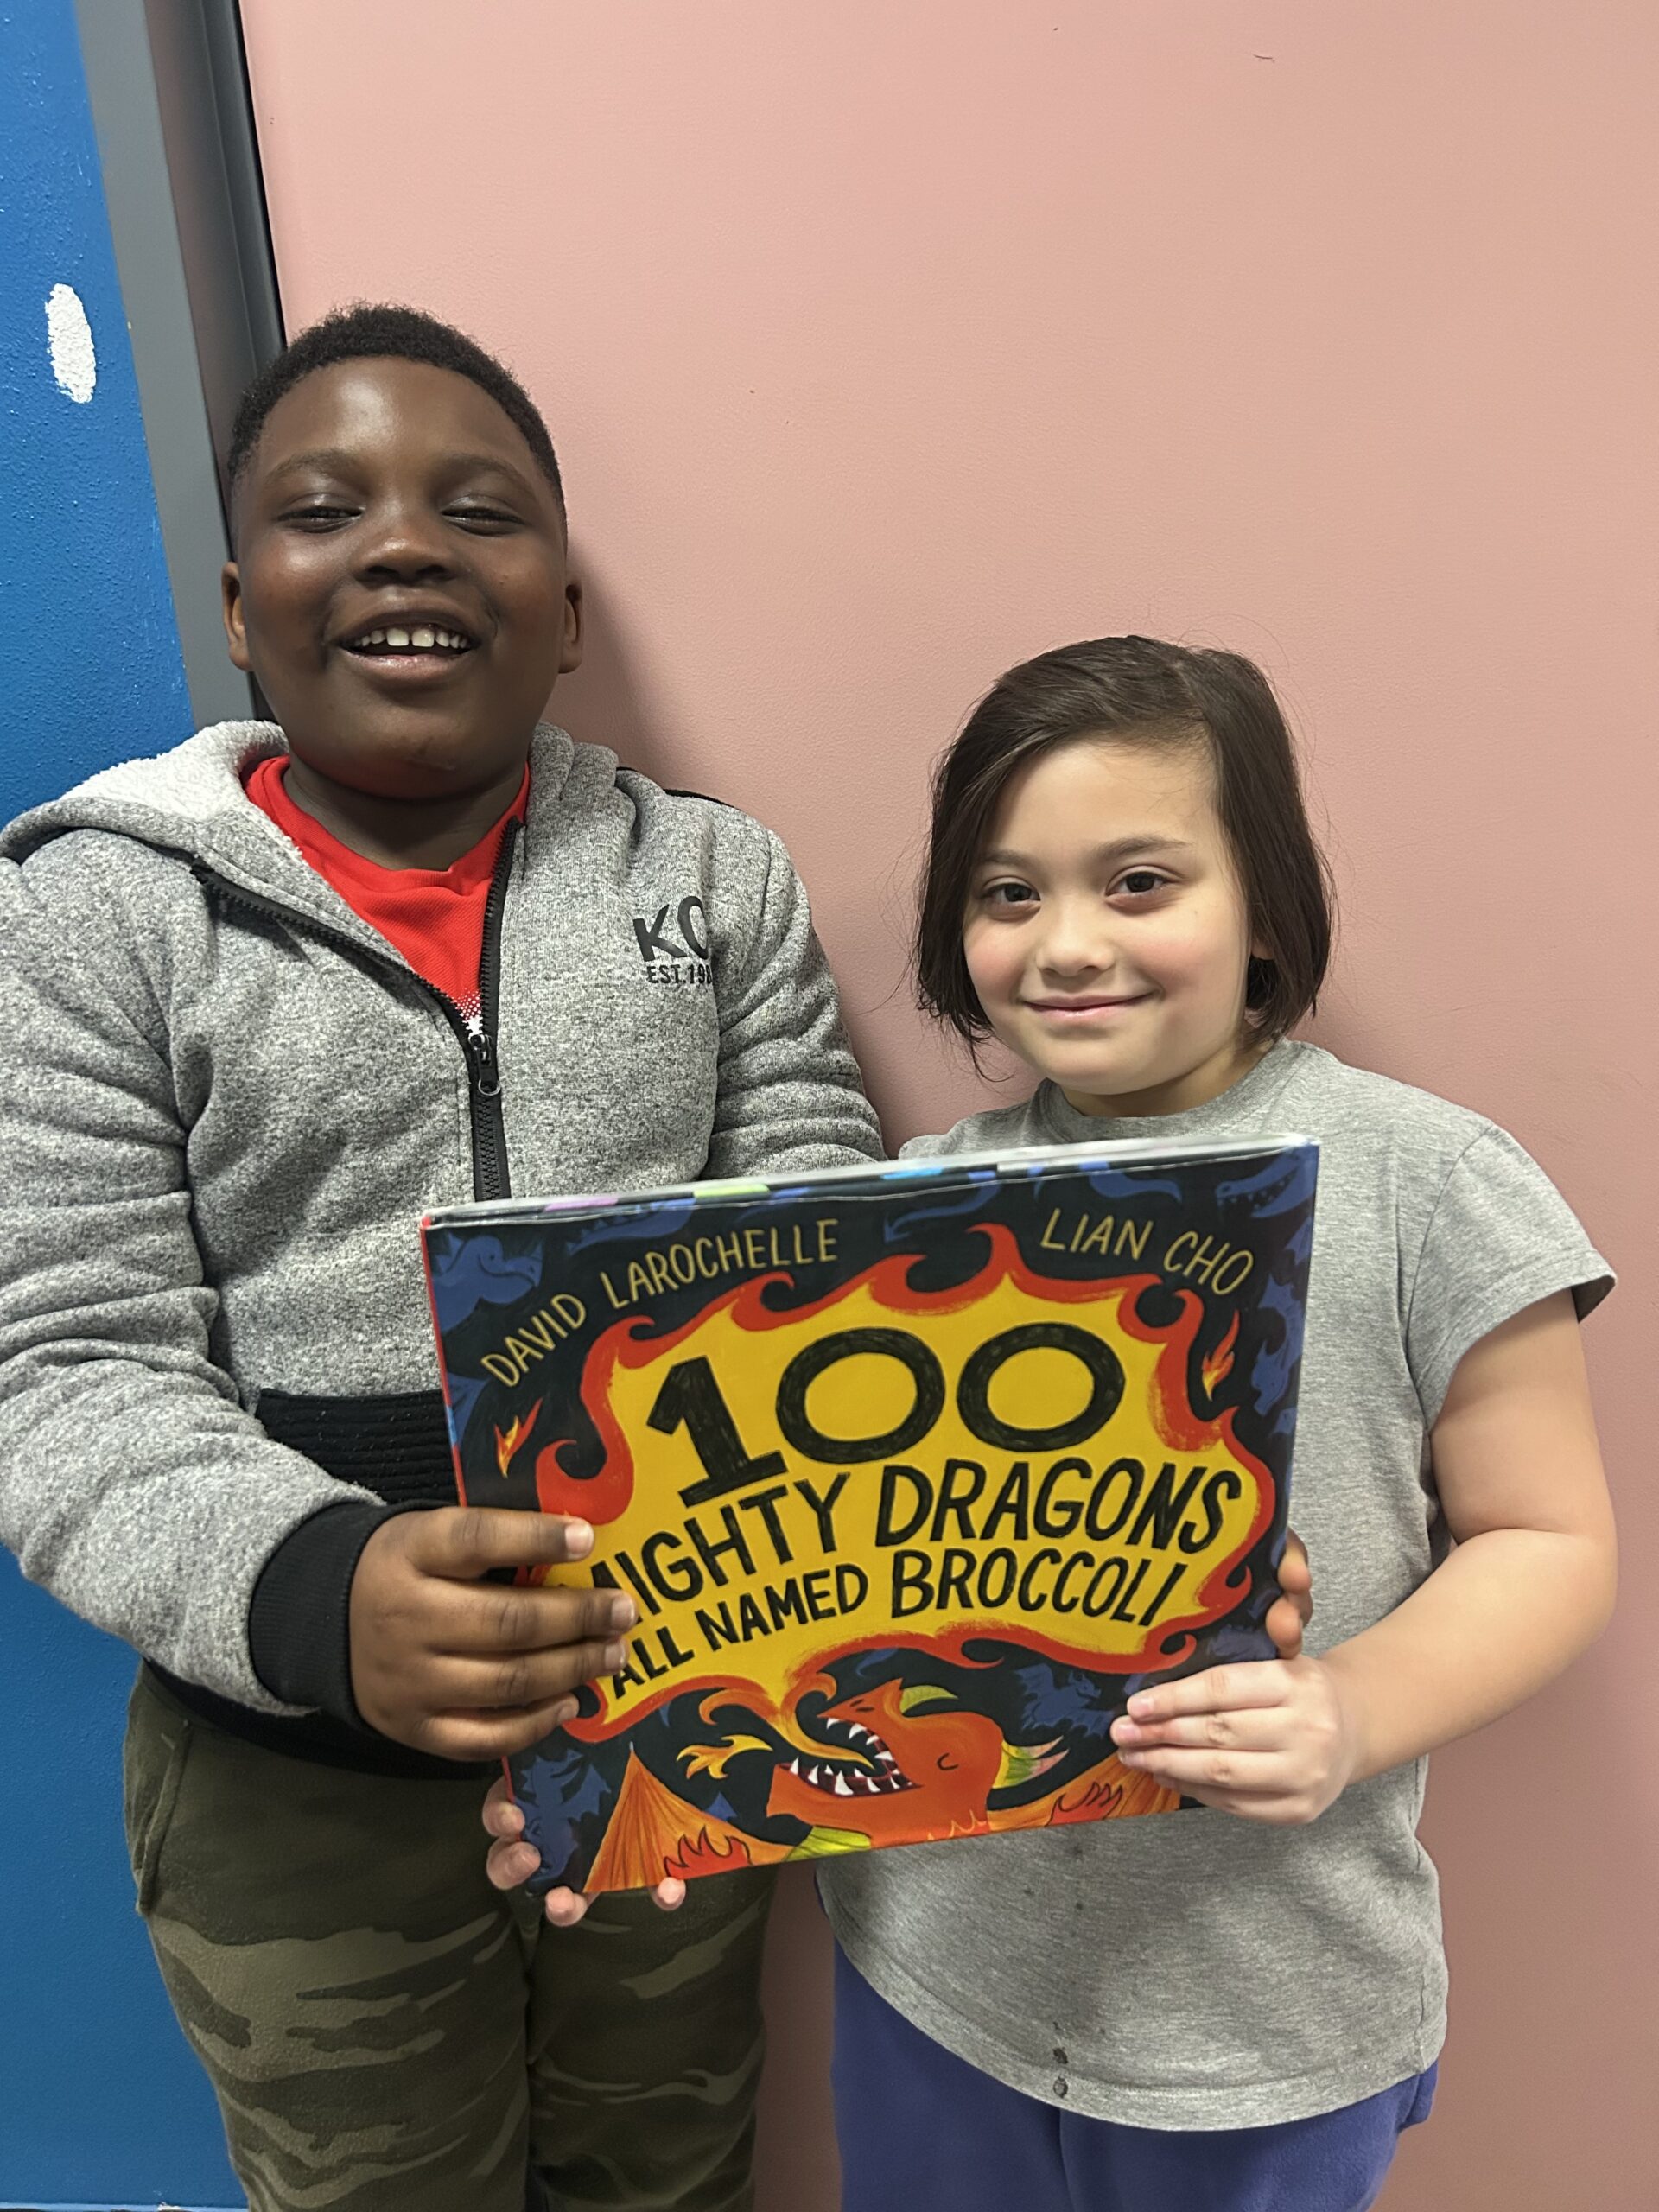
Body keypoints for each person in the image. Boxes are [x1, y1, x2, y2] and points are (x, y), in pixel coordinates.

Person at [0, 303, 884, 2212]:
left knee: (672, 2169)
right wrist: (320, 1593)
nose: (404, 544)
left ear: (564, 613)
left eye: (477, 511)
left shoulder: (715, 880)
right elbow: (64, 1366)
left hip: (679, 1713)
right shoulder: (89, 914)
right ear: (241, 608)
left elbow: (824, 1259)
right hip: (287, 1776)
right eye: (327, 511)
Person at [807, 636, 1611, 2211]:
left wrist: (1352, 1709)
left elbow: (1552, 1539)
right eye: (1008, 892)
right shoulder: (910, 1207)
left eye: (1140, 882)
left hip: (1271, 2005)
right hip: (935, 1976)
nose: (1067, 943)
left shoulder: (1428, 1178)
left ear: (1265, 911)